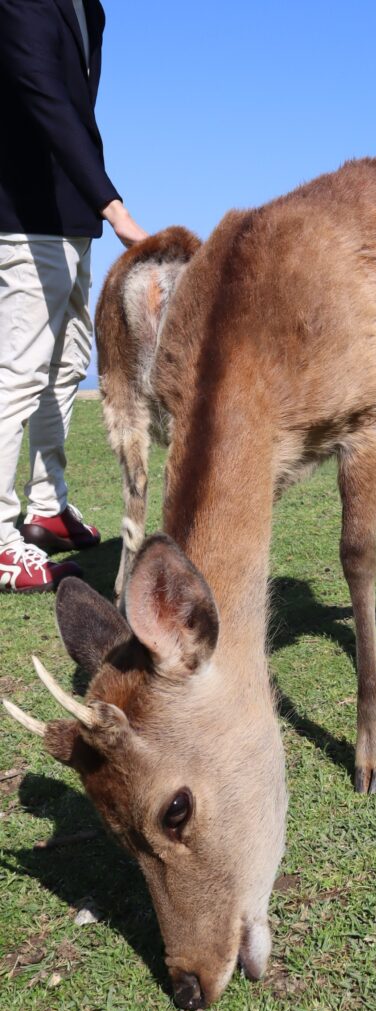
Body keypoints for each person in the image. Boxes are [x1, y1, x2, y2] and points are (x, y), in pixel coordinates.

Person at [0, 0, 147, 592]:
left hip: (69, 215)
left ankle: (45, 506)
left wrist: (90, 207)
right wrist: (114, 207)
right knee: (19, 371)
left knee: (67, 363)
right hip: (26, 215)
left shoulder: (90, 8)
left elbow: (79, 111)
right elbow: (45, 99)